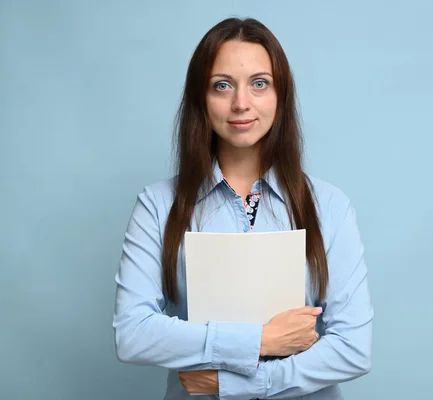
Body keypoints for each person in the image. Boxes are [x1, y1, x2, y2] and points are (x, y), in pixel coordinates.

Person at [113, 17, 373, 400]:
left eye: (259, 84)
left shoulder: (330, 206)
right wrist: (263, 340)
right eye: (222, 86)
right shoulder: (158, 205)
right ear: (200, 98)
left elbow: (353, 350)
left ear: (280, 95)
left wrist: (229, 382)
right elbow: (133, 334)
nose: (240, 103)